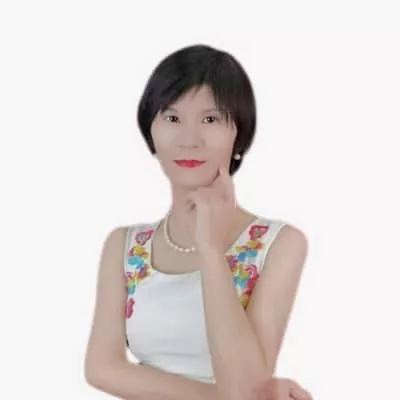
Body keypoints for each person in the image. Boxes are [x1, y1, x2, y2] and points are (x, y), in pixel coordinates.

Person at [84, 44, 312, 400]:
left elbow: (248, 384)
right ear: (151, 134)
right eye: (172, 118)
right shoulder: (125, 246)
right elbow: (101, 368)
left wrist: (210, 247)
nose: (189, 140)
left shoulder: (278, 243)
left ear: (239, 135)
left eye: (210, 120)